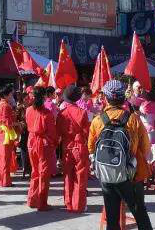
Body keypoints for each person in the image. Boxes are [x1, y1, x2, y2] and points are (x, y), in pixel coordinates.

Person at [88, 80, 153, 230]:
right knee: (139, 212)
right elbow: (145, 147)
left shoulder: (98, 120)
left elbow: (91, 148)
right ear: (123, 98)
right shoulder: (133, 119)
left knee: (112, 217)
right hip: (131, 173)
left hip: (107, 173)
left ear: (106, 98)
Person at [56, 85, 90, 213]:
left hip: (66, 147)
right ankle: (79, 204)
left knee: (67, 176)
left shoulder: (62, 114)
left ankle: (69, 203)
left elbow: (57, 134)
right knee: (80, 176)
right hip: (79, 146)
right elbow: (87, 132)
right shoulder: (82, 112)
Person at [26, 87, 58, 211]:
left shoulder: (28, 110)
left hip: (31, 141)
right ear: (44, 97)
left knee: (35, 171)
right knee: (43, 173)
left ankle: (32, 199)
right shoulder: (47, 113)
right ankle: (42, 203)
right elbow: (52, 132)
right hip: (43, 144)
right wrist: (55, 142)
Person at [0, 85, 17, 187]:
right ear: (6, 95)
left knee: (1, 158)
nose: (11, 96)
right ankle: (5, 181)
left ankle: (1, 180)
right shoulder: (5, 106)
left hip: (0, 133)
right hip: (5, 134)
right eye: (11, 94)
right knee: (5, 158)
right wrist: (18, 124)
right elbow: (8, 122)